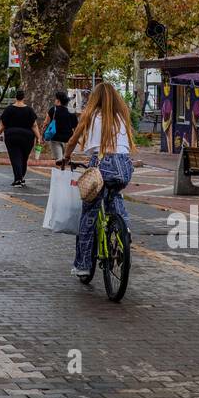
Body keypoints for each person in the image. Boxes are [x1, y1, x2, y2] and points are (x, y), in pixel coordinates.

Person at [57, 82, 135, 283]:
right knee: (115, 198)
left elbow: (73, 139)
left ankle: (83, 266)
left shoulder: (91, 116)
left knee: (89, 213)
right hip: (125, 165)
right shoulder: (121, 116)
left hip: (103, 163)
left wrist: (66, 157)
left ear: (95, 99)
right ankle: (123, 233)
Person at [0, 90, 37, 187]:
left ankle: (18, 179)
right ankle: (21, 178)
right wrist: (39, 137)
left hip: (12, 135)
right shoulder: (29, 110)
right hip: (27, 137)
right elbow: (34, 125)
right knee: (24, 158)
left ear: (16, 97)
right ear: (24, 98)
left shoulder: (9, 109)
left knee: (15, 157)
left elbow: (2, 124)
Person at [44, 90, 78, 164]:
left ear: (58, 101)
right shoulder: (72, 112)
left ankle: (60, 174)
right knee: (65, 161)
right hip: (68, 140)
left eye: (56, 99)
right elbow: (76, 128)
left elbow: (46, 123)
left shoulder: (53, 110)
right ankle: (65, 173)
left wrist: (42, 134)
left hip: (55, 138)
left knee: (59, 162)